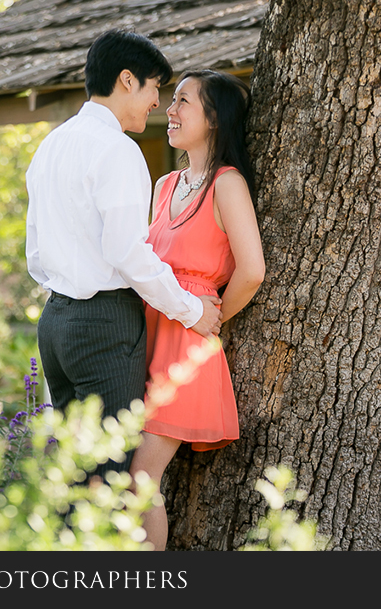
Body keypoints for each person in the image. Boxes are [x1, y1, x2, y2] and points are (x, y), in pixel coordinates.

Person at [25, 30, 223, 483]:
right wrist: (192, 312)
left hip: (55, 322)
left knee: (74, 472)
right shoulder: (117, 149)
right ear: (128, 80)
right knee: (109, 476)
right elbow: (126, 251)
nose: (159, 101)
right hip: (104, 327)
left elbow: (34, 249)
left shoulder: (51, 145)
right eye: (156, 86)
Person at [128, 69, 266, 549]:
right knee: (119, 472)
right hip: (144, 336)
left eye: (183, 101)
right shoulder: (164, 184)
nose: (170, 109)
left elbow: (252, 270)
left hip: (185, 347)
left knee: (140, 476)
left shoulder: (227, 184)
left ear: (213, 117)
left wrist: (211, 319)